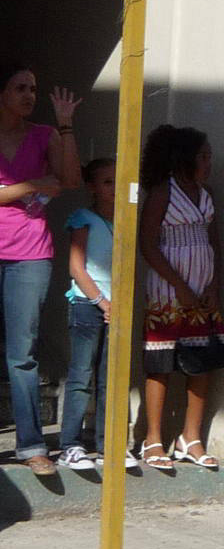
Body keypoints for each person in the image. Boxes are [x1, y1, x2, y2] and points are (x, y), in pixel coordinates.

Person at [0, 63, 84, 472]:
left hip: (30, 254)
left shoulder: (44, 135)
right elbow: (43, 184)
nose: (30, 95)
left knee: (23, 354)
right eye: (20, 88)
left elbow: (69, 179)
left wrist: (65, 126)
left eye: (32, 88)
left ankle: (31, 446)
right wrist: (32, 185)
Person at [138, 124, 224, 473]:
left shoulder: (206, 194)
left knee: (202, 362)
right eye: (203, 156)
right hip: (168, 292)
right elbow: (147, 244)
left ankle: (190, 437)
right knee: (161, 364)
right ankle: (153, 439)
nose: (209, 162)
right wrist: (178, 284)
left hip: (202, 293)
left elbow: (214, 243)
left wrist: (213, 286)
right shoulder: (163, 192)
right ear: (184, 158)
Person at [57, 156, 116, 473]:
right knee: (81, 376)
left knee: (110, 379)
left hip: (115, 308)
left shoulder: (125, 220)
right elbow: (76, 267)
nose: (115, 188)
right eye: (107, 182)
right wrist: (102, 302)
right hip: (86, 305)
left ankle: (108, 445)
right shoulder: (83, 218)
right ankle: (70, 445)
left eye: (119, 181)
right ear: (92, 187)